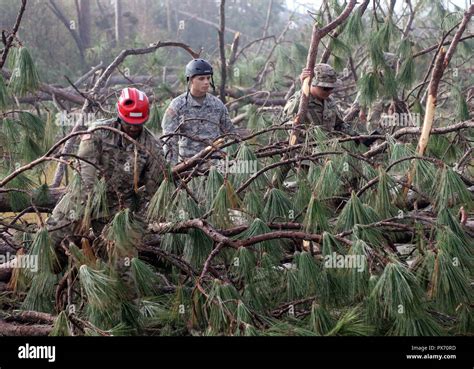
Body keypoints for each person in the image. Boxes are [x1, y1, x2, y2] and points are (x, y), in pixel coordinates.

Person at [46, 87, 166, 249]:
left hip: (118, 207)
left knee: (119, 258)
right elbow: (85, 176)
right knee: (51, 237)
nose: (132, 128)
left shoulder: (152, 147)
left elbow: (154, 193)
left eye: (138, 124)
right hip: (82, 197)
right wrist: (85, 206)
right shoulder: (99, 132)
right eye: (128, 123)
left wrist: (139, 223)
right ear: (119, 115)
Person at [161, 59, 236, 166]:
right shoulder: (177, 105)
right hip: (187, 167)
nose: (206, 82)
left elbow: (231, 133)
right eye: (201, 78)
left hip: (214, 168)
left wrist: (229, 159)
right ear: (191, 80)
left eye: (208, 78)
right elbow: (169, 140)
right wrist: (172, 170)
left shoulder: (217, 105)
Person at [283, 63, 358, 137]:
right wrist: (315, 138)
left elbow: (338, 125)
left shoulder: (329, 101)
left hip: (329, 147)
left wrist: (358, 137)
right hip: (305, 147)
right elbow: (289, 128)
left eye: (331, 88)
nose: (329, 91)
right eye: (325, 88)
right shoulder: (298, 102)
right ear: (312, 83)